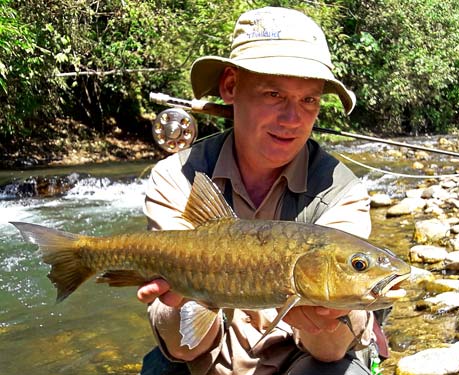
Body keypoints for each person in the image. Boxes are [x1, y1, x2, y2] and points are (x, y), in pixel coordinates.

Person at [138, 6, 387, 375]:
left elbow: (329, 354)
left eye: (309, 100)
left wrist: (331, 313)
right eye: (274, 93)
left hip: (301, 362)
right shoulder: (177, 177)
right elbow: (186, 347)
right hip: (205, 360)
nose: (293, 119)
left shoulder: (341, 191)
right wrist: (186, 297)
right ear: (230, 86)